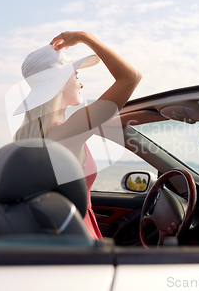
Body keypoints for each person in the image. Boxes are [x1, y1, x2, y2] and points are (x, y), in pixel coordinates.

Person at [13, 31, 142, 240]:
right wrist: (84, 37)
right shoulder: (69, 132)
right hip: (79, 236)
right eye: (76, 76)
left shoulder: (26, 136)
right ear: (62, 83)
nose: (81, 84)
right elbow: (130, 78)